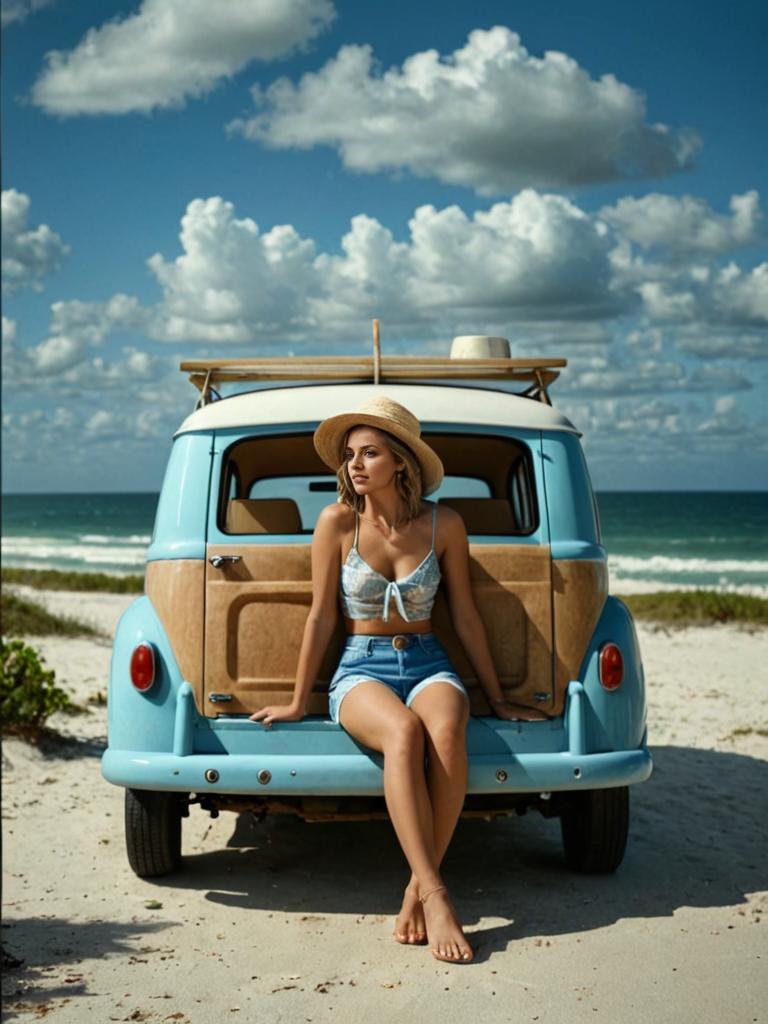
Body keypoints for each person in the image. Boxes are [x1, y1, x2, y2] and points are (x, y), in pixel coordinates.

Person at [250, 396, 546, 963]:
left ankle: (416, 886)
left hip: (431, 660)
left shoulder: (445, 523)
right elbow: (321, 617)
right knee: (404, 735)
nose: (354, 466)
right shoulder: (338, 522)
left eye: (369, 453)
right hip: (361, 666)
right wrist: (295, 701)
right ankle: (437, 894)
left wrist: (500, 698)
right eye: (349, 456)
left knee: (447, 736)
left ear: (402, 462)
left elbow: (464, 616)